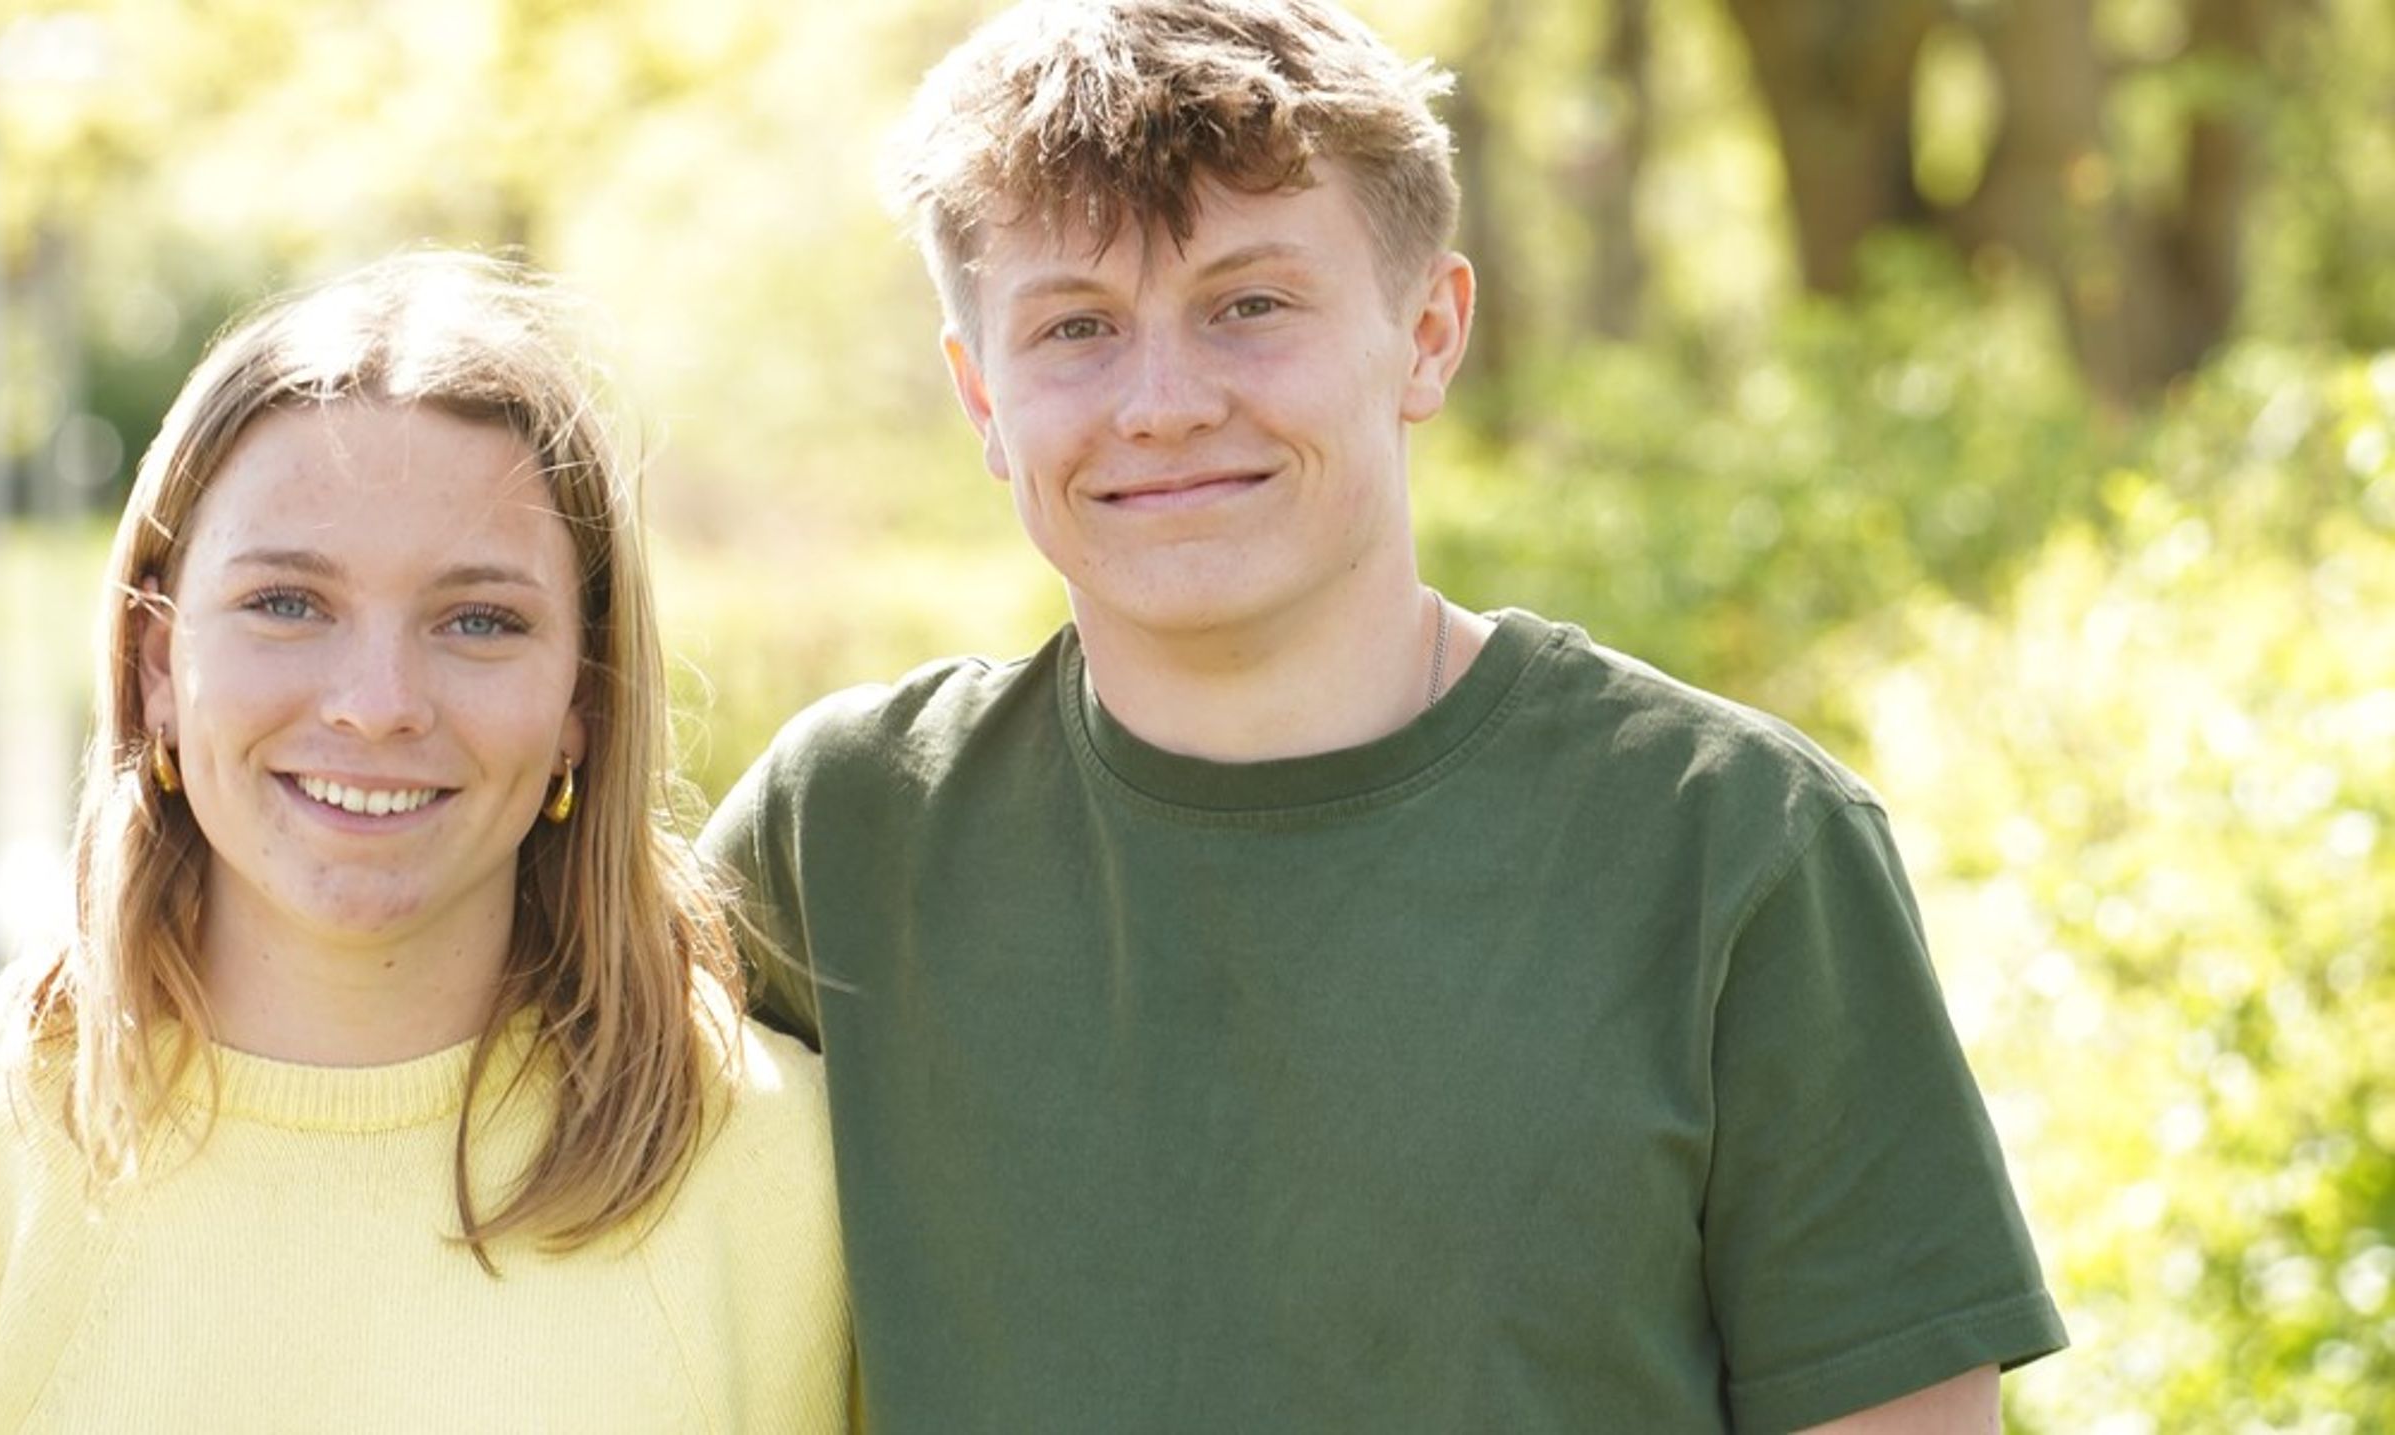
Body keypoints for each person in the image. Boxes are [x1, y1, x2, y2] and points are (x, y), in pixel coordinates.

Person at [698, 1, 2065, 1430]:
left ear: (1427, 333)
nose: (1162, 402)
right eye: (1076, 327)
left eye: (1250, 304)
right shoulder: (845, 831)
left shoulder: (1733, 842)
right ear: (982, 394)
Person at [0, 253, 849, 1432]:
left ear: (586, 696)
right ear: (157, 664)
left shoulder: (791, 1186)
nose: (377, 703)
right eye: (287, 602)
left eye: (479, 619)